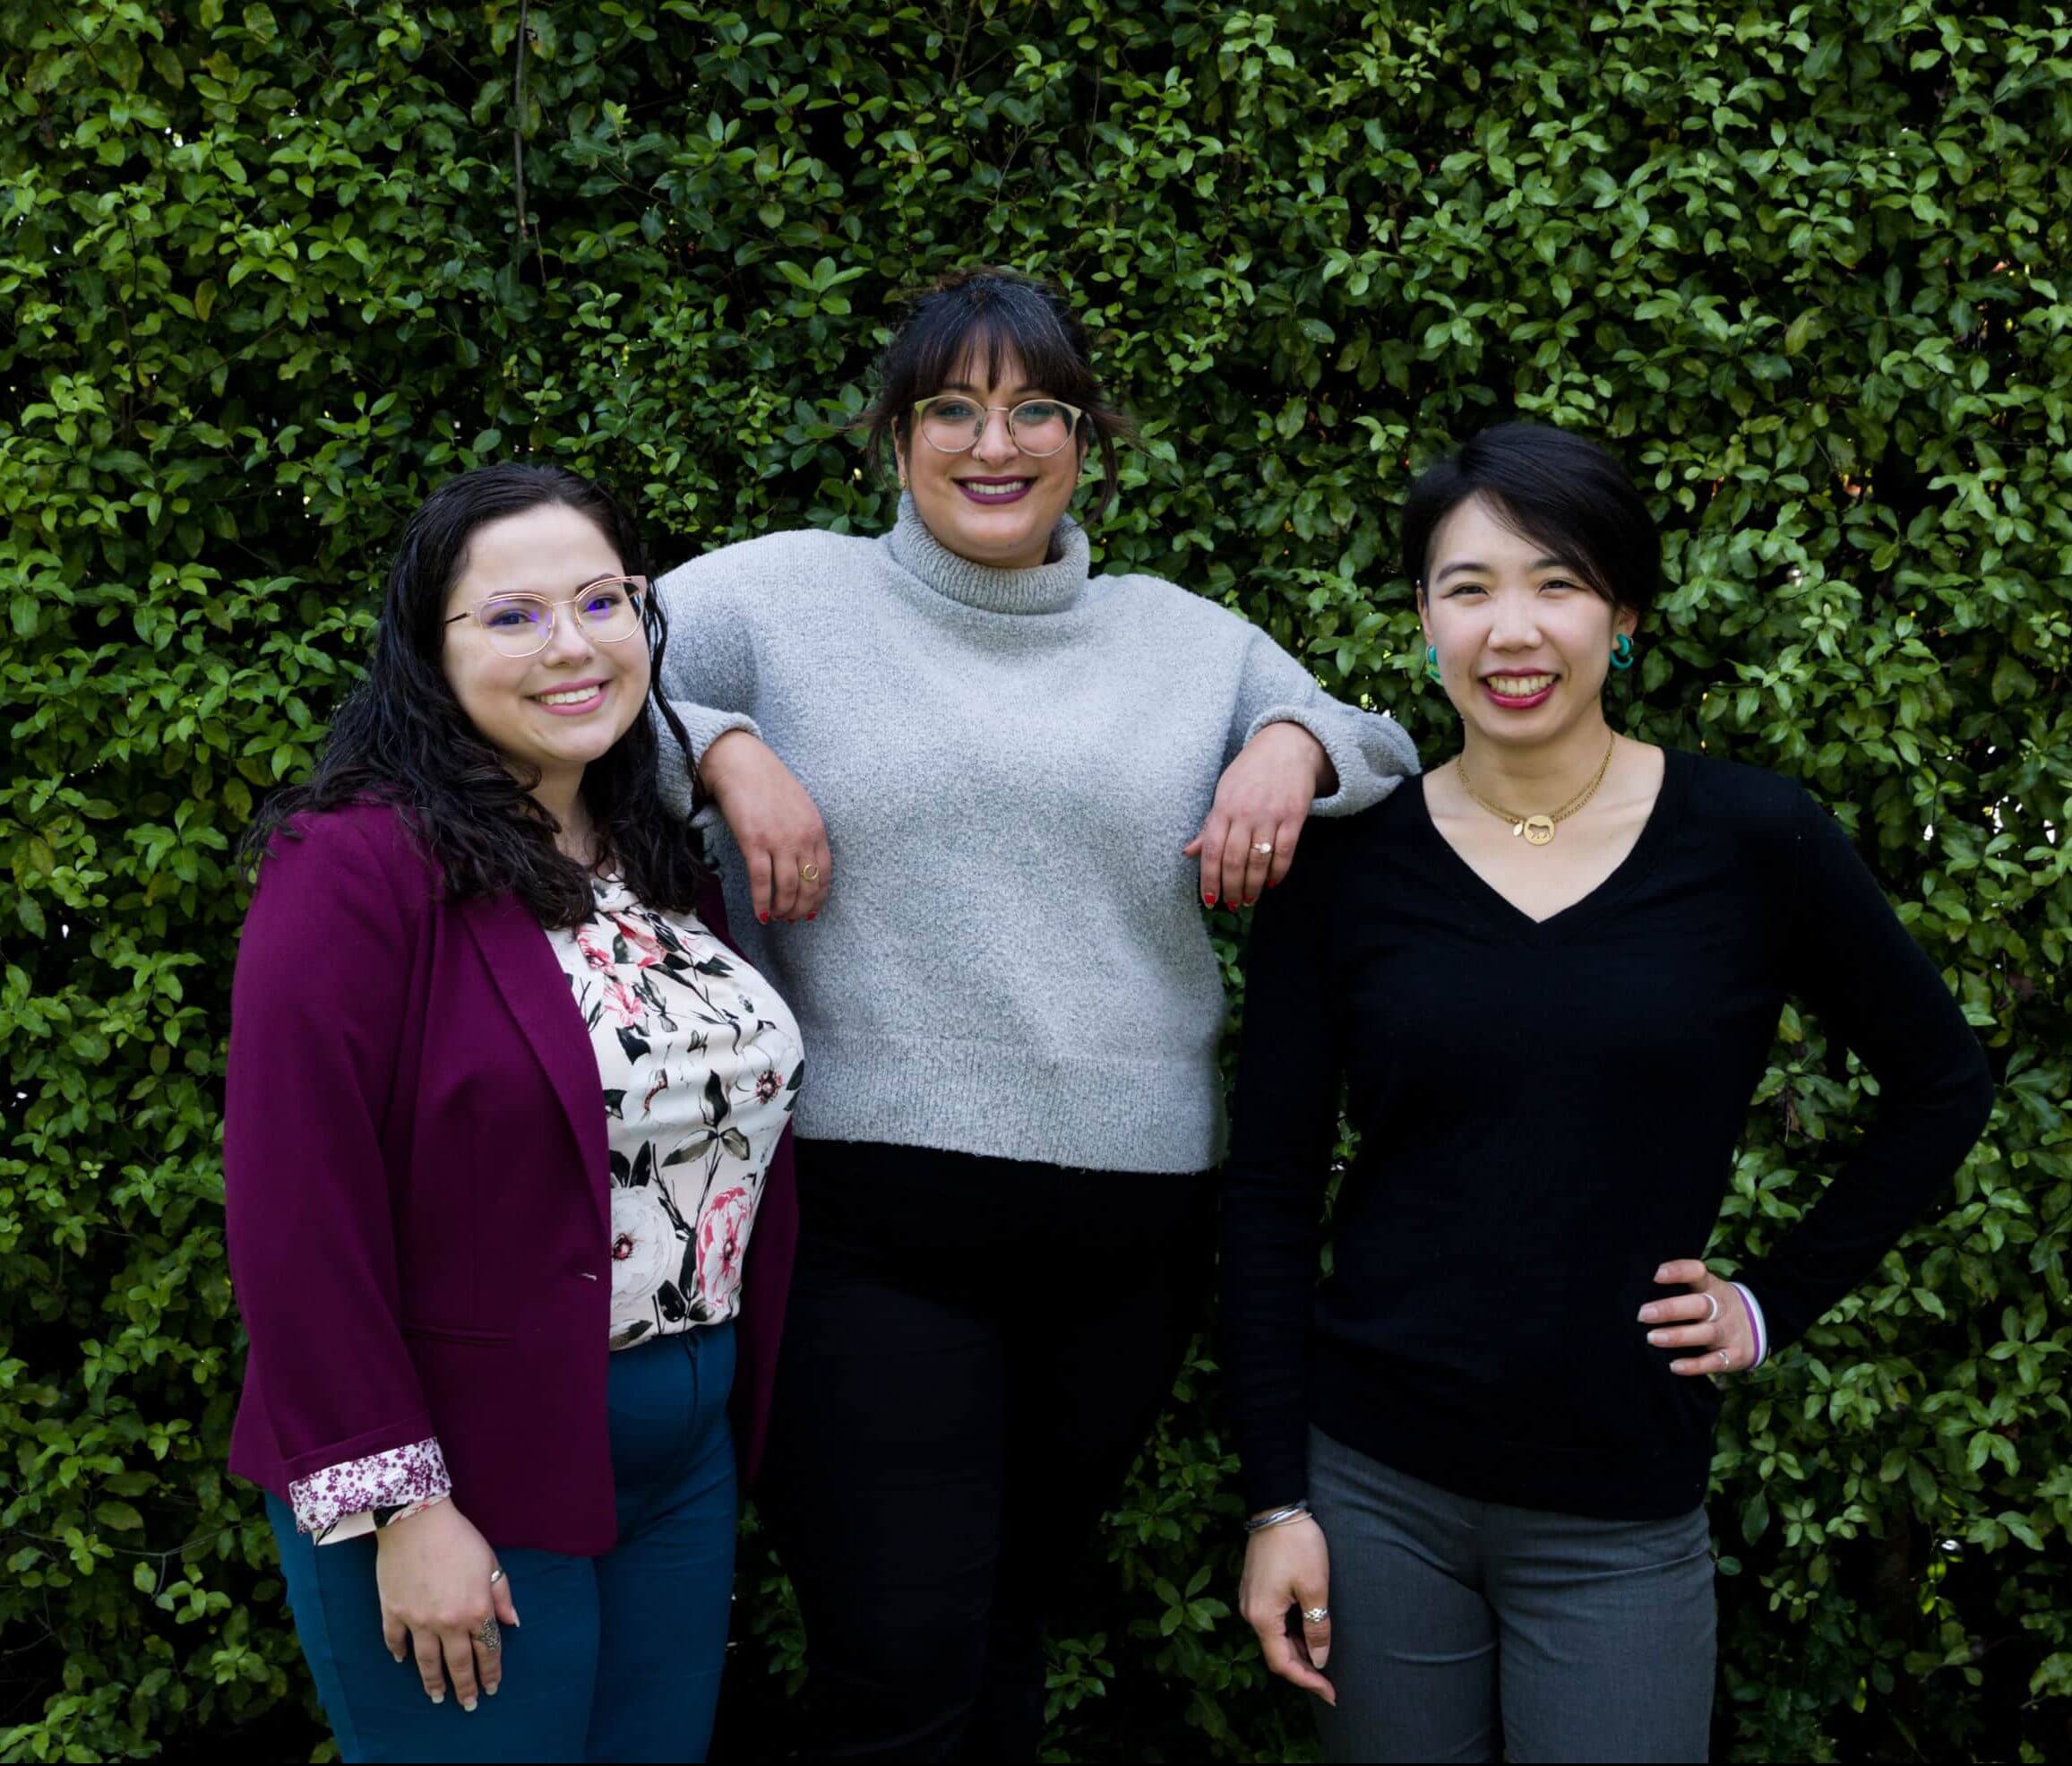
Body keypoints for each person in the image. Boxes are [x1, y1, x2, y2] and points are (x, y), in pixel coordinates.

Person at [650, 268, 1419, 1761]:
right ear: (893, 437)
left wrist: (1285, 744)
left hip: (1130, 1239)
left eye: (1033, 410)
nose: (991, 444)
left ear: (1084, 439)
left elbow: (1377, 736)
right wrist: (729, 746)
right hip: (871, 1223)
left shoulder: (1181, 638)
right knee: (899, 1666)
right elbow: (563, 678)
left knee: (1002, 1640)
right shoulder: (777, 594)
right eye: (951, 407)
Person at [1222, 421, 1994, 1763]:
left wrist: (1769, 1302)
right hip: (1374, 1490)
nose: (1510, 631)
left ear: (1622, 614)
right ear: (1422, 618)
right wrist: (1276, 1503)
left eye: (1556, 583)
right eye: (1467, 588)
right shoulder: (1347, 868)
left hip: (1619, 1509)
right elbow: (1274, 1185)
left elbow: (1940, 1083)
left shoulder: (1754, 839)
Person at [225, 463, 803, 1763]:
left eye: (600, 602)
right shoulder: (356, 862)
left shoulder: (653, 855)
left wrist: (728, 747)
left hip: (683, 1455)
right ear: (431, 656)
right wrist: (401, 1506)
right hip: (462, 1462)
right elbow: (293, 1209)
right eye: (512, 616)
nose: (570, 646)